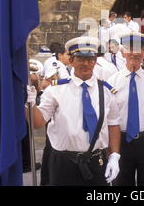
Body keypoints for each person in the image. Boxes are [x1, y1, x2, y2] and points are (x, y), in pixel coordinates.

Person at [26, 36, 122, 186]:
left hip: (96, 161)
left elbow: (113, 124)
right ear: (71, 61)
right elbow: (37, 122)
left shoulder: (107, 91)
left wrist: (115, 155)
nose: (86, 64)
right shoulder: (55, 90)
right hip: (64, 162)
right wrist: (29, 104)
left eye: (90, 59)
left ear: (95, 62)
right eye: (80, 59)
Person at [108, 32, 144, 186]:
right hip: (121, 142)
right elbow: (108, 120)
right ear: (123, 51)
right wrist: (111, 152)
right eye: (130, 48)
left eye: (139, 48)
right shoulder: (111, 82)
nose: (135, 53)